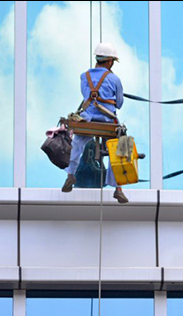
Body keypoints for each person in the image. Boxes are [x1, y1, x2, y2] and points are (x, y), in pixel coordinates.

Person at [62, 42, 128, 203]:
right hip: (108, 123)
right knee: (120, 147)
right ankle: (118, 188)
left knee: (77, 144)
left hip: (88, 120)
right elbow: (119, 103)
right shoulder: (115, 79)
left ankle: (70, 175)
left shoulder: (84, 77)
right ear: (110, 61)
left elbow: (85, 95)